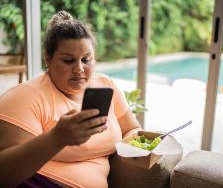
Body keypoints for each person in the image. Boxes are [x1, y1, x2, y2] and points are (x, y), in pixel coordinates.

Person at [0, 11, 141, 187]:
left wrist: (141, 147)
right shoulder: (25, 97)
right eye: (68, 61)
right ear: (48, 59)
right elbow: (4, 174)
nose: (79, 69)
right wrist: (56, 139)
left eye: (86, 59)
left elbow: (132, 129)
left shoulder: (106, 85)